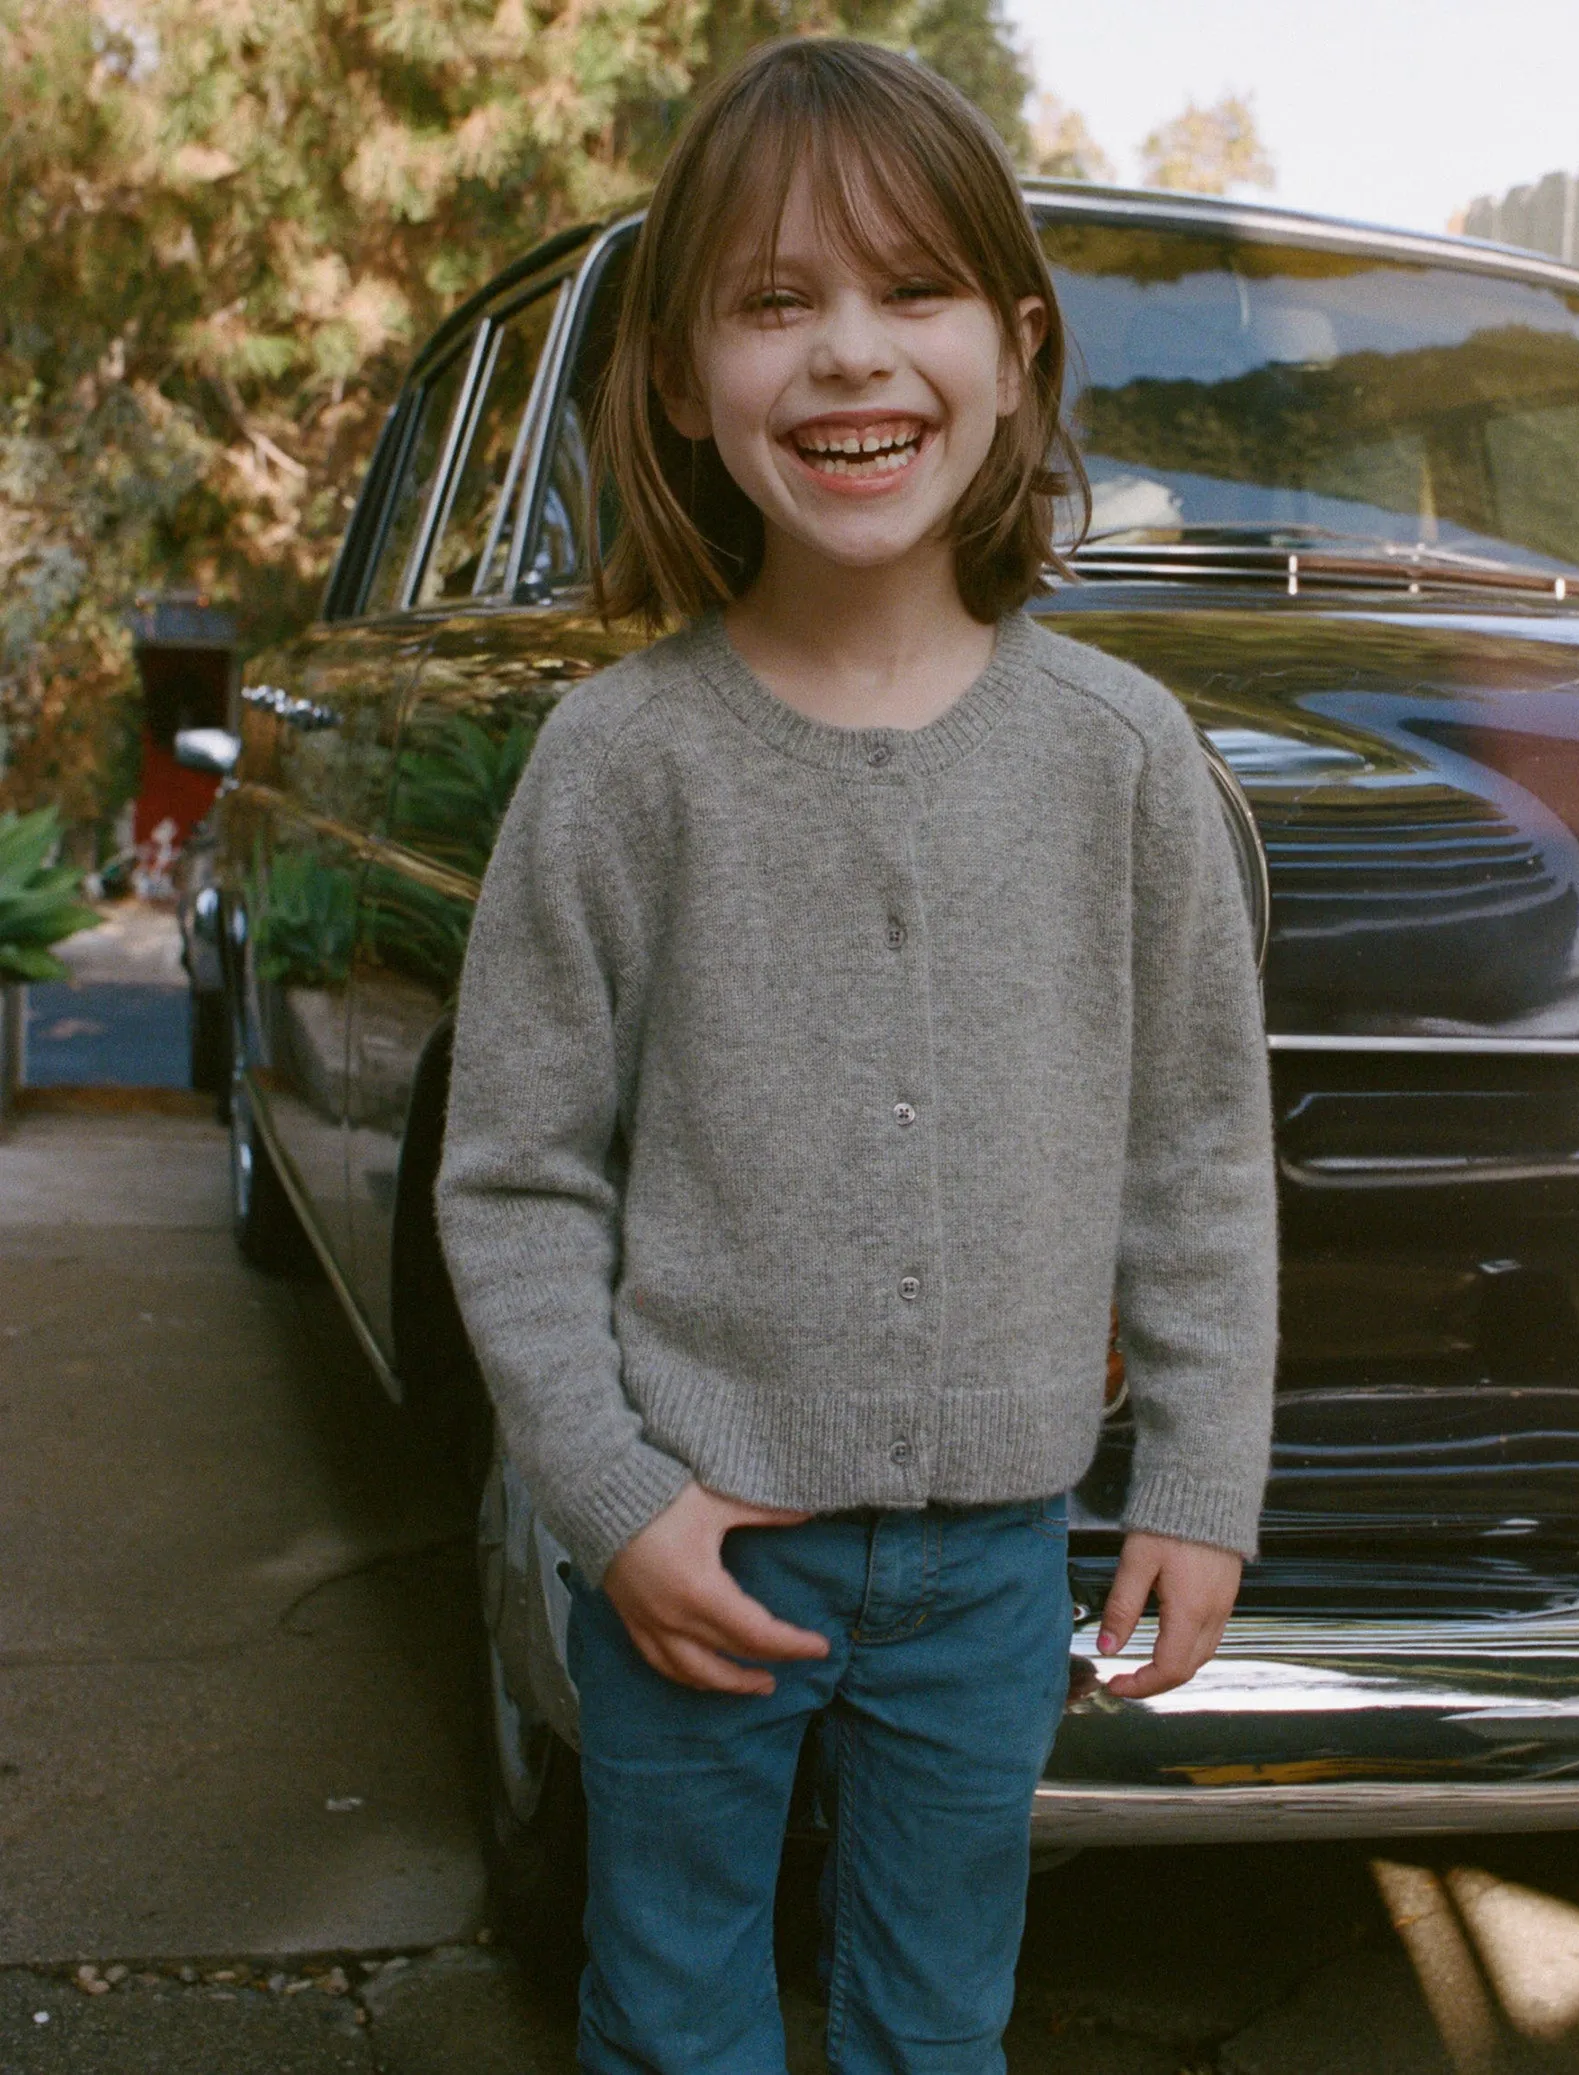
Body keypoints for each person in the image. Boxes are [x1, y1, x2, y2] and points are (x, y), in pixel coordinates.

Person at [435, 36, 1276, 2075]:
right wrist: (610, 1497)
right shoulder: (622, 763)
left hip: (1000, 1560)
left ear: (1012, 342)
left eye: (907, 293)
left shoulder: (1122, 758)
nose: (845, 358)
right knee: (673, 2010)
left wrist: (1202, 1472)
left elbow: (1197, 1152)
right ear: (676, 371)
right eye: (772, 300)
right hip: (695, 1542)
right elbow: (516, 1175)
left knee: (936, 2024)